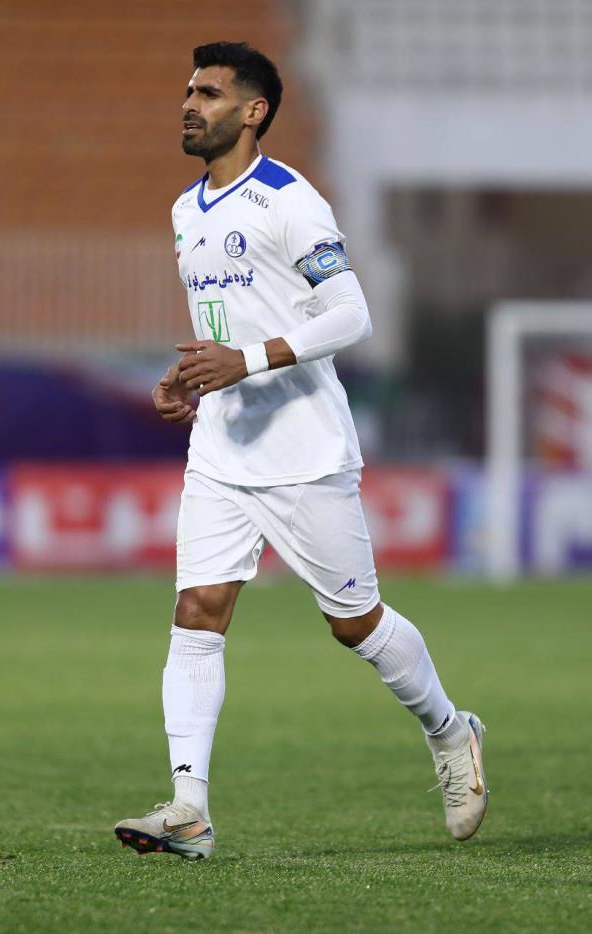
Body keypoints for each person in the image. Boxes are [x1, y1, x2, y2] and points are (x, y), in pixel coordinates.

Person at [114, 41, 487, 861]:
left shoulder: (291, 201)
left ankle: (449, 729)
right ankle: (189, 808)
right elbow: (227, 324)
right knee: (197, 611)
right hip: (222, 449)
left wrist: (246, 361)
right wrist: (191, 376)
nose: (189, 104)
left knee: (354, 624)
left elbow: (351, 314)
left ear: (253, 112)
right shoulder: (185, 210)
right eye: (188, 91)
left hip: (305, 449)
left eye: (209, 93)